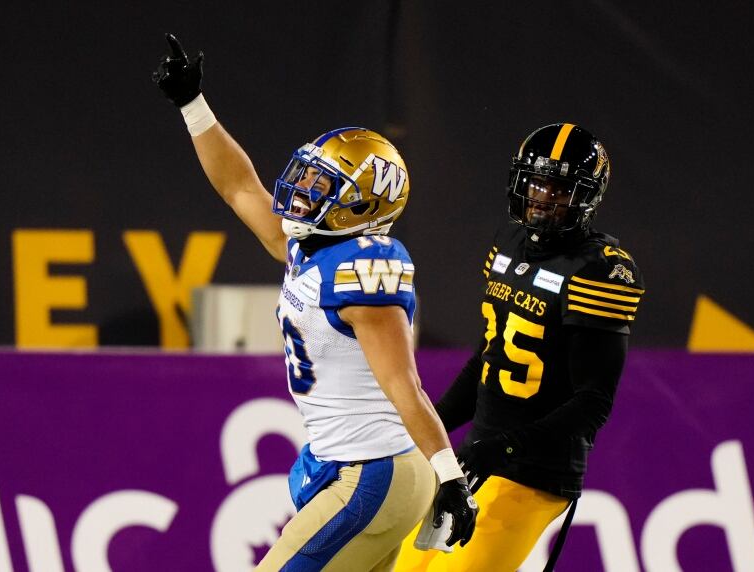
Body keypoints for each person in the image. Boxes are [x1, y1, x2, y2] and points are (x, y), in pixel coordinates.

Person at [152, 34, 477, 572]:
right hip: (366, 468)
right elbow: (238, 187)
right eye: (308, 176)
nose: (303, 191)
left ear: (363, 207)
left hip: (375, 470)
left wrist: (450, 474)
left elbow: (405, 385)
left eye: (325, 186)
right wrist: (192, 105)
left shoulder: (365, 269)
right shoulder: (308, 246)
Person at [394, 123, 645, 571]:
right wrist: (431, 426)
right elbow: (489, 357)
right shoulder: (507, 242)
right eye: (537, 182)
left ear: (586, 197)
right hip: (477, 455)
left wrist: (506, 446)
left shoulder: (598, 271)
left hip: (534, 472)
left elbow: (593, 403)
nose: (543, 196)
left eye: (559, 188)